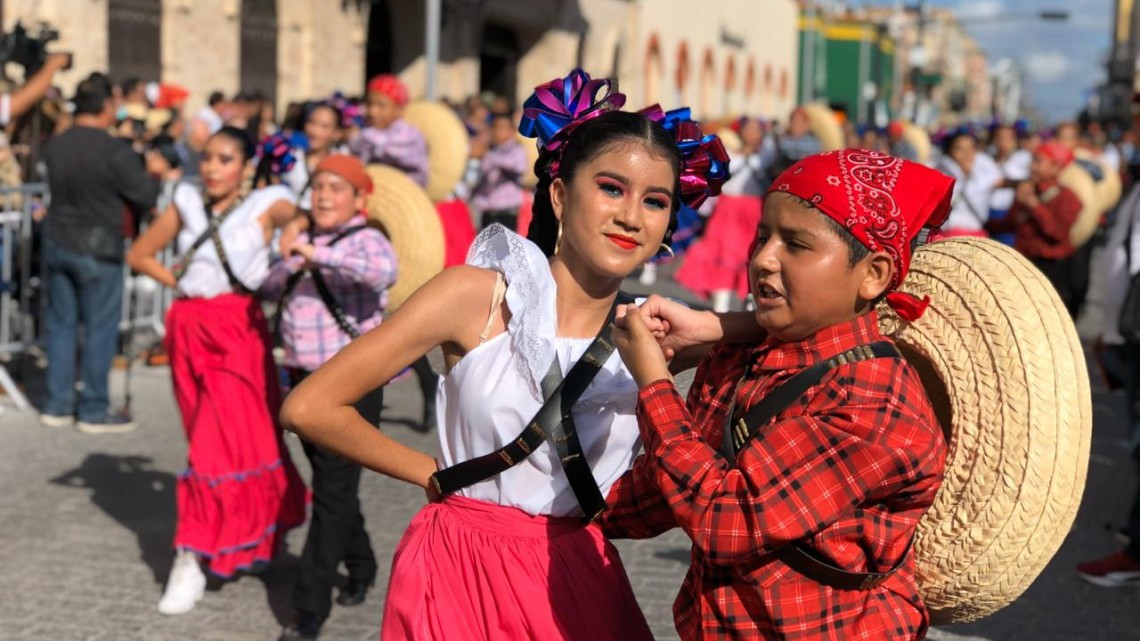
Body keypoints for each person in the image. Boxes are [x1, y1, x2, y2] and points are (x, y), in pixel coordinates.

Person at [280, 70, 722, 641]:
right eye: (611, 188)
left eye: (655, 201)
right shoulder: (478, 295)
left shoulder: (651, 337)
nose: (632, 216)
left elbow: (791, 326)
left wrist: (716, 322)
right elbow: (310, 407)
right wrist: (434, 477)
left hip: (576, 578)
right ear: (560, 195)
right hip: (457, 570)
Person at [604, 149, 951, 640]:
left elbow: (723, 520)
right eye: (763, 236)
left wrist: (655, 384)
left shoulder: (874, 401)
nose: (763, 259)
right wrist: (540, 507)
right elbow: (661, 495)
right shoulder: (742, 356)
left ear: (872, 274)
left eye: (797, 245)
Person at [125, 126, 308, 615]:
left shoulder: (267, 200)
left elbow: (295, 216)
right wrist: (180, 281)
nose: (211, 168)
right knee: (210, 438)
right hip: (187, 326)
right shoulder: (186, 197)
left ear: (246, 165)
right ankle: (249, 542)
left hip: (237, 328)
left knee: (220, 442)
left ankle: (189, 556)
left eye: (224, 159)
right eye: (207, 157)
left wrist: (295, 227)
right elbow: (139, 254)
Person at [262, 155, 397, 641]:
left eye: (336, 188)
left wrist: (316, 254)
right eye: (318, 186)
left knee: (332, 493)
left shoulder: (366, 240)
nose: (323, 195)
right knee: (332, 485)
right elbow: (269, 286)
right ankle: (361, 565)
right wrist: (288, 257)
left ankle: (307, 609)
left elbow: (380, 273)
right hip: (301, 381)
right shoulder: (304, 240)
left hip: (351, 387)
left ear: (359, 199)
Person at [39, 72, 160, 432]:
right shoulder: (112, 150)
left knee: (61, 326)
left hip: (59, 240)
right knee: (99, 328)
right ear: (107, 105)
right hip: (99, 246)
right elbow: (145, 195)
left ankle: (58, 403)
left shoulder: (57, 144)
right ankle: (92, 407)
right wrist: (152, 172)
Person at [676, 116, 769, 312]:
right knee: (723, 254)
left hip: (755, 209)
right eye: (749, 129)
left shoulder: (768, 152)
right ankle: (721, 305)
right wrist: (743, 154)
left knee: (750, 255)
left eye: (756, 130)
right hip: (729, 208)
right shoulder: (728, 149)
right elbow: (724, 172)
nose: (753, 134)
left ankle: (749, 301)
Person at [986, 141, 1082, 315]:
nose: (1032, 166)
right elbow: (1010, 224)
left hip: (1052, 269)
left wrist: (1034, 205)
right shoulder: (1027, 190)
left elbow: (1058, 233)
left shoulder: (1069, 198)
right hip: (1023, 263)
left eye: (1038, 162)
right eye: (1033, 161)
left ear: (1056, 167)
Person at [349, 74, 429, 188]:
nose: (372, 112)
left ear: (399, 109)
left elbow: (382, 144)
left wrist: (354, 137)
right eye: (369, 104)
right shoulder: (367, 133)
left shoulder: (409, 135)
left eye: (381, 106)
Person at [281, 102, 348, 209]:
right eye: (311, 123)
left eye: (324, 126)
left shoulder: (344, 162)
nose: (315, 131)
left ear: (337, 133)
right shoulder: (289, 157)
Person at [936, 130, 1000, 238]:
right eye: (960, 149)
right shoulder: (939, 178)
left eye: (971, 148)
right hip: (947, 237)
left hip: (978, 238)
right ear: (949, 152)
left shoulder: (982, 176)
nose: (967, 154)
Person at [472, 111, 529, 230]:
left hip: (506, 214)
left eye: (502, 128)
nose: (498, 132)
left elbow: (518, 167)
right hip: (488, 213)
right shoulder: (491, 151)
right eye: (495, 128)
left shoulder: (516, 150)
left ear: (512, 131)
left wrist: (488, 156)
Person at [987, 124, 1033, 245]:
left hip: (1010, 212)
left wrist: (1005, 183)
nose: (1004, 142)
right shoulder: (987, 159)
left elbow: (1028, 182)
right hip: (989, 211)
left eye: (1008, 138)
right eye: (1000, 137)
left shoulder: (1024, 158)